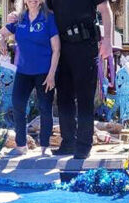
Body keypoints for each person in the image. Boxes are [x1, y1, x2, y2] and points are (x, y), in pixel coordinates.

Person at [10, 0, 114, 159]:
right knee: (64, 98)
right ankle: (68, 143)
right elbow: (40, 9)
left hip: (85, 45)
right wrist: (19, 16)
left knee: (84, 97)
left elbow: (105, 10)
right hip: (63, 48)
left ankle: (84, 145)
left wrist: (108, 41)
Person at [0, 0, 60, 156]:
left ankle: (45, 147)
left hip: (44, 72)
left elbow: (56, 49)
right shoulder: (19, 19)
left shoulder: (48, 18)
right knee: (17, 104)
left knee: (45, 108)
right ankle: (21, 145)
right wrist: (0, 39)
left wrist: (51, 74)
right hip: (24, 71)